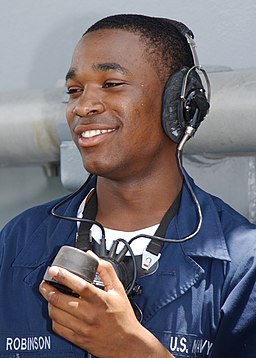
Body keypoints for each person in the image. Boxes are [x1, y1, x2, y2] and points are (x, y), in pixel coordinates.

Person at [0, 14, 255, 358]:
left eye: (111, 84)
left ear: (178, 104)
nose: (83, 106)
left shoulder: (242, 265)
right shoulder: (17, 242)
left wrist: (133, 349)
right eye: (74, 91)